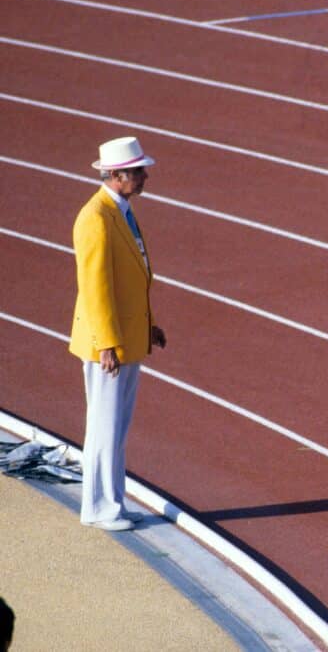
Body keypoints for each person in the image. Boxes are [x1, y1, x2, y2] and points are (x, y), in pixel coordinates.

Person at [70, 137, 166, 531]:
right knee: (104, 426)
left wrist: (148, 325)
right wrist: (107, 341)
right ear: (115, 175)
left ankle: (114, 502)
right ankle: (98, 509)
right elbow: (95, 287)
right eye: (137, 171)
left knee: (117, 428)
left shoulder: (120, 211)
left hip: (127, 338)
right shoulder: (95, 218)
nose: (143, 177)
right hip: (107, 345)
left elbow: (131, 279)